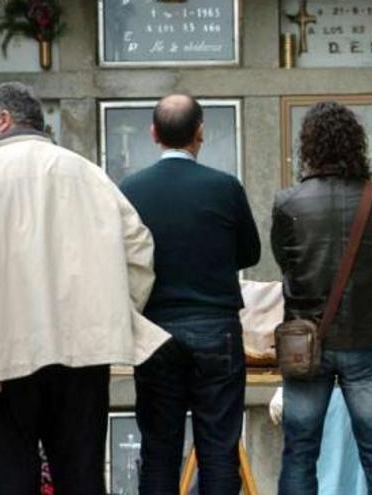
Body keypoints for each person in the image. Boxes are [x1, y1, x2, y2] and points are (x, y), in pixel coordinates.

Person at [0, 82, 169, 495]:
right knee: (81, 476)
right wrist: (111, 314)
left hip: (1, 350)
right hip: (82, 352)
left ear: (4, 120)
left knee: (11, 476)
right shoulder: (88, 172)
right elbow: (138, 250)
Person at [120, 94, 261, 494]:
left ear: (152, 134)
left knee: (159, 450)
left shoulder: (131, 189)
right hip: (216, 328)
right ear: (200, 132)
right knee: (219, 449)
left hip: (155, 332)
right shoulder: (224, 187)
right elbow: (250, 252)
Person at [272, 101, 372, 495]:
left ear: (308, 146)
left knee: (299, 451)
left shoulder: (288, 202)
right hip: (367, 340)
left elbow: (286, 264)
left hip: (305, 343)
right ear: (357, 145)